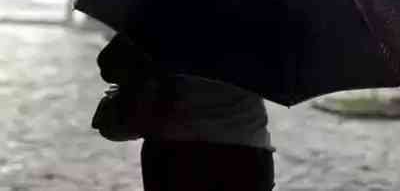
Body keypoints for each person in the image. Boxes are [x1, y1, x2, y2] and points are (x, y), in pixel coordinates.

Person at [93, 32, 276, 190]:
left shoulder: (166, 8)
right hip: (247, 148)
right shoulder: (256, 15)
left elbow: (110, 66)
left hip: (176, 145)